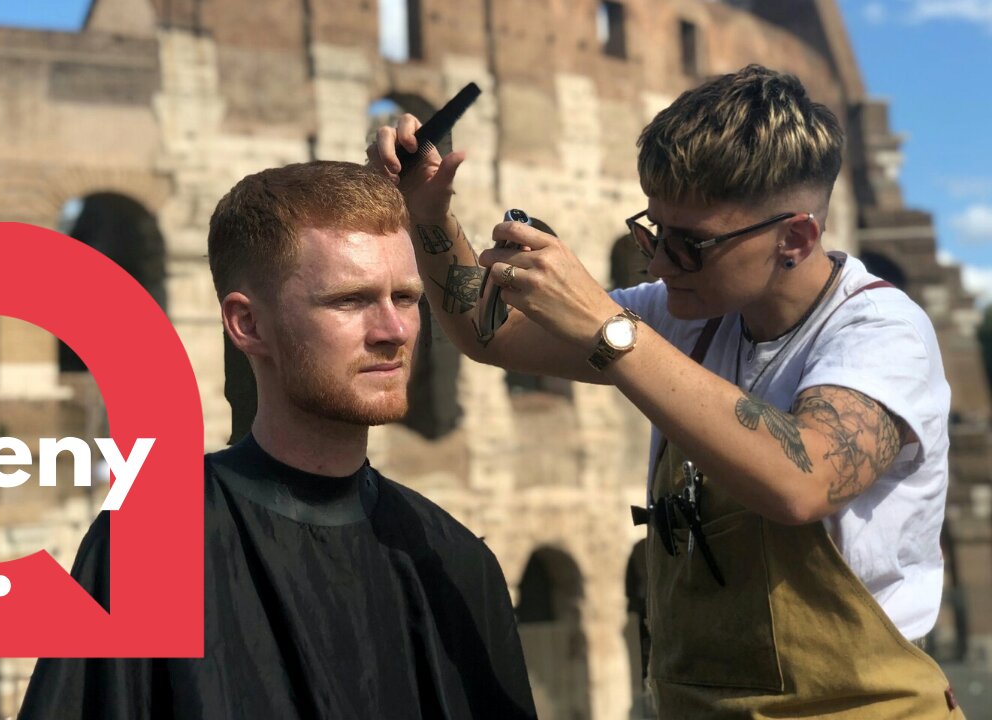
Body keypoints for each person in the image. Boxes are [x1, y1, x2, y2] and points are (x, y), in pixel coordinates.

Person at [369, 65, 963, 718]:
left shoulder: (879, 331)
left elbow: (806, 479)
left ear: (795, 238)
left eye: (690, 245)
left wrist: (609, 330)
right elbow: (491, 336)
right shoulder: (683, 311)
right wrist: (429, 215)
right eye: (652, 232)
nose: (656, 264)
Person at [18, 161, 537, 720]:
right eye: (350, 300)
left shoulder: (455, 561)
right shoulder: (149, 552)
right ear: (248, 324)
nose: (393, 331)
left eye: (406, 299)